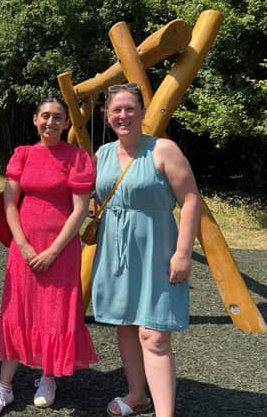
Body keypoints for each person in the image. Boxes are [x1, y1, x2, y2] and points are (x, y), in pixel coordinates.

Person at [0, 98, 98, 417]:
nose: (51, 122)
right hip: (25, 246)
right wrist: (24, 245)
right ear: (35, 119)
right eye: (45, 116)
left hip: (61, 248)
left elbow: (80, 209)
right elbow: (9, 203)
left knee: (55, 311)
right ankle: (4, 386)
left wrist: (53, 250)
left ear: (66, 124)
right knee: (16, 309)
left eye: (58, 117)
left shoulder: (77, 158)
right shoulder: (24, 154)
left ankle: (48, 377)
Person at [90, 83, 201, 417]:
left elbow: (191, 198)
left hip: (157, 250)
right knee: (124, 325)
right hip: (115, 253)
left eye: (129, 108)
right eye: (116, 110)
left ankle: (164, 413)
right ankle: (137, 394)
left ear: (141, 111)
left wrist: (183, 252)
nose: (122, 115)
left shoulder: (163, 149)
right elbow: (87, 199)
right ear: (107, 116)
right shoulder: (102, 154)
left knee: (154, 335)